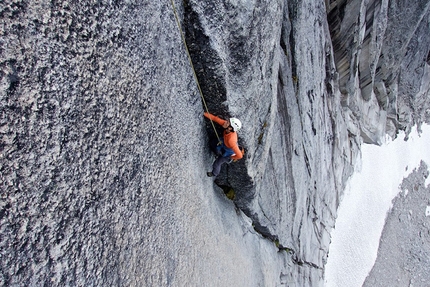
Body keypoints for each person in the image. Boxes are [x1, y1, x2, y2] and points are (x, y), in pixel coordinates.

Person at [203, 112, 244, 177]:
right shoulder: (227, 126)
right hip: (224, 142)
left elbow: (240, 155)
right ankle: (217, 153)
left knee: (217, 163)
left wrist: (231, 157)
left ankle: (214, 173)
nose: (225, 122)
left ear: (230, 128)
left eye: (228, 122)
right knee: (213, 143)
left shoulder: (232, 140)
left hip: (228, 152)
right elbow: (215, 119)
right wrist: (204, 114)